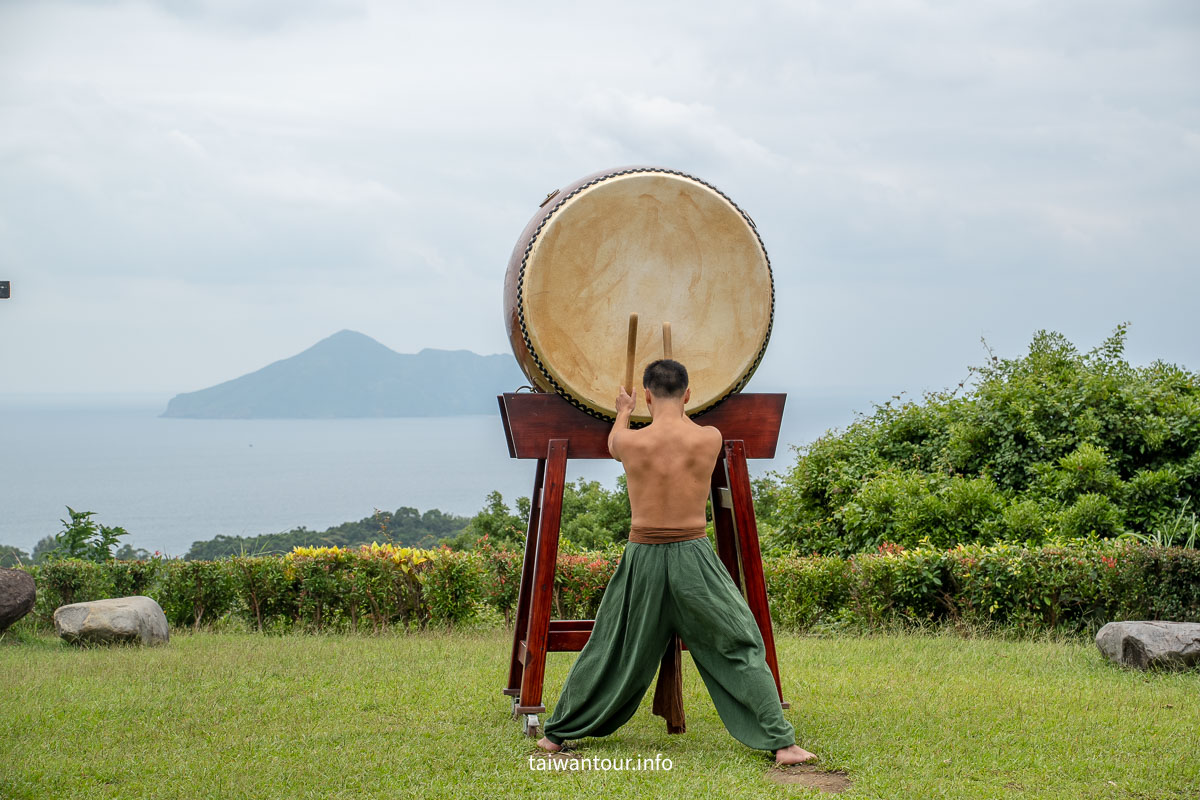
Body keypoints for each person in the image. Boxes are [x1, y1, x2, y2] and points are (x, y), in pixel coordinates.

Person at [536, 358, 817, 765]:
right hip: (695, 559)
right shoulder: (710, 439)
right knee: (740, 644)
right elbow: (686, 426)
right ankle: (782, 744)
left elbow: (614, 442)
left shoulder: (630, 442)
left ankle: (556, 738)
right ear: (687, 394)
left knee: (608, 647)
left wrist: (624, 412)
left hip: (642, 558)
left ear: (648, 396)